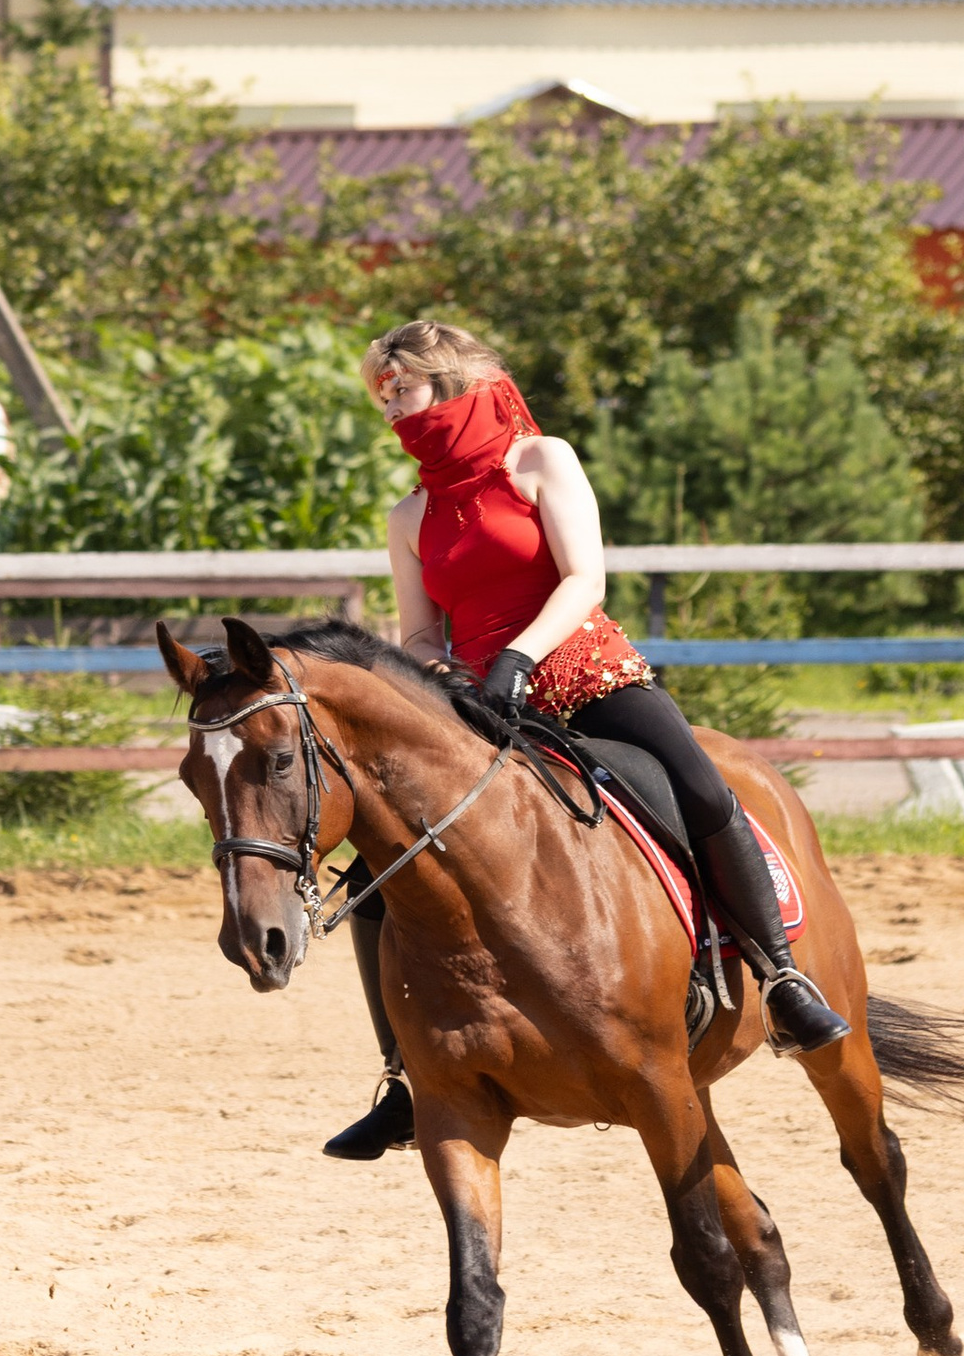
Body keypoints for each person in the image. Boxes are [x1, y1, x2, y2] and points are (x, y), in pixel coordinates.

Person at [327, 317, 848, 1161]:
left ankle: (784, 979)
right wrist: (444, 677)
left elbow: (585, 577)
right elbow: (420, 631)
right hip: (480, 704)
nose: (388, 405)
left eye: (400, 386)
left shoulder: (541, 460)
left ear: (448, 378)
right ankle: (402, 1078)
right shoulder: (410, 512)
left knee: (702, 790)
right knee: (377, 873)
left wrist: (520, 656)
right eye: (377, 392)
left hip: (583, 673)